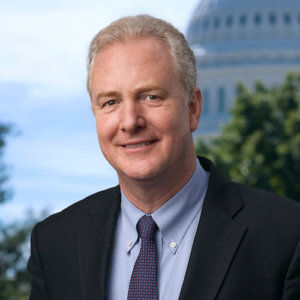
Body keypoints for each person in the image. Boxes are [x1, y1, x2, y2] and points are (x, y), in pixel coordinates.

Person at [27, 15, 300, 300]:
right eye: (111, 102)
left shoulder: (286, 237)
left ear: (193, 108)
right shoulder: (54, 244)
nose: (130, 121)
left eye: (151, 97)